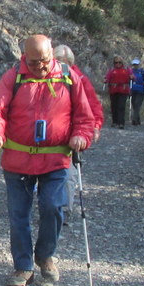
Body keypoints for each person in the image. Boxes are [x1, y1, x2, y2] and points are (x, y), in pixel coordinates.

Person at [0, 34, 97, 286]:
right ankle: (23, 267)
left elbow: (85, 117)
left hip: (56, 159)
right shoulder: (14, 76)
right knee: (18, 215)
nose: (39, 67)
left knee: (54, 207)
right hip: (17, 160)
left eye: (44, 61)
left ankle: (45, 255)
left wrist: (80, 136)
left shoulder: (68, 77)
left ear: (52, 55)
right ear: (24, 57)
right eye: (33, 63)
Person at [52, 44, 103, 218]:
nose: (62, 65)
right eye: (58, 61)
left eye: (65, 62)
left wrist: (95, 126)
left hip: (75, 131)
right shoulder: (45, 77)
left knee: (69, 171)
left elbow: (93, 105)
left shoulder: (80, 78)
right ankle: (52, 204)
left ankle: (65, 208)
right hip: (54, 131)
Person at [103, 56, 132, 128]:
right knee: (114, 106)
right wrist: (106, 80)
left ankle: (121, 123)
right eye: (116, 62)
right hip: (113, 90)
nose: (118, 64)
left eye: (119, 62)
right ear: (114, 63)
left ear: (122, 62)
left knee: (121, 106)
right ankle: (114, 121)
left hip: (123, 90)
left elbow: (132, 77)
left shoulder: (126, 69)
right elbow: (107, 77)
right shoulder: (112, 70)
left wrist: (132, 77)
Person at [129, 58, 144, 125]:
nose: (135, 66)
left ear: (138, 65)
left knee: (137, 104)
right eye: (134, 64)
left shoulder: (142, 72)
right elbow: (127, 81)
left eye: (136, 64)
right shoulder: (130, 72)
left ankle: (134, 120)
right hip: (133, 90)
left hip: (141, 90)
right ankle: (138, 120)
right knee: (134, 104)